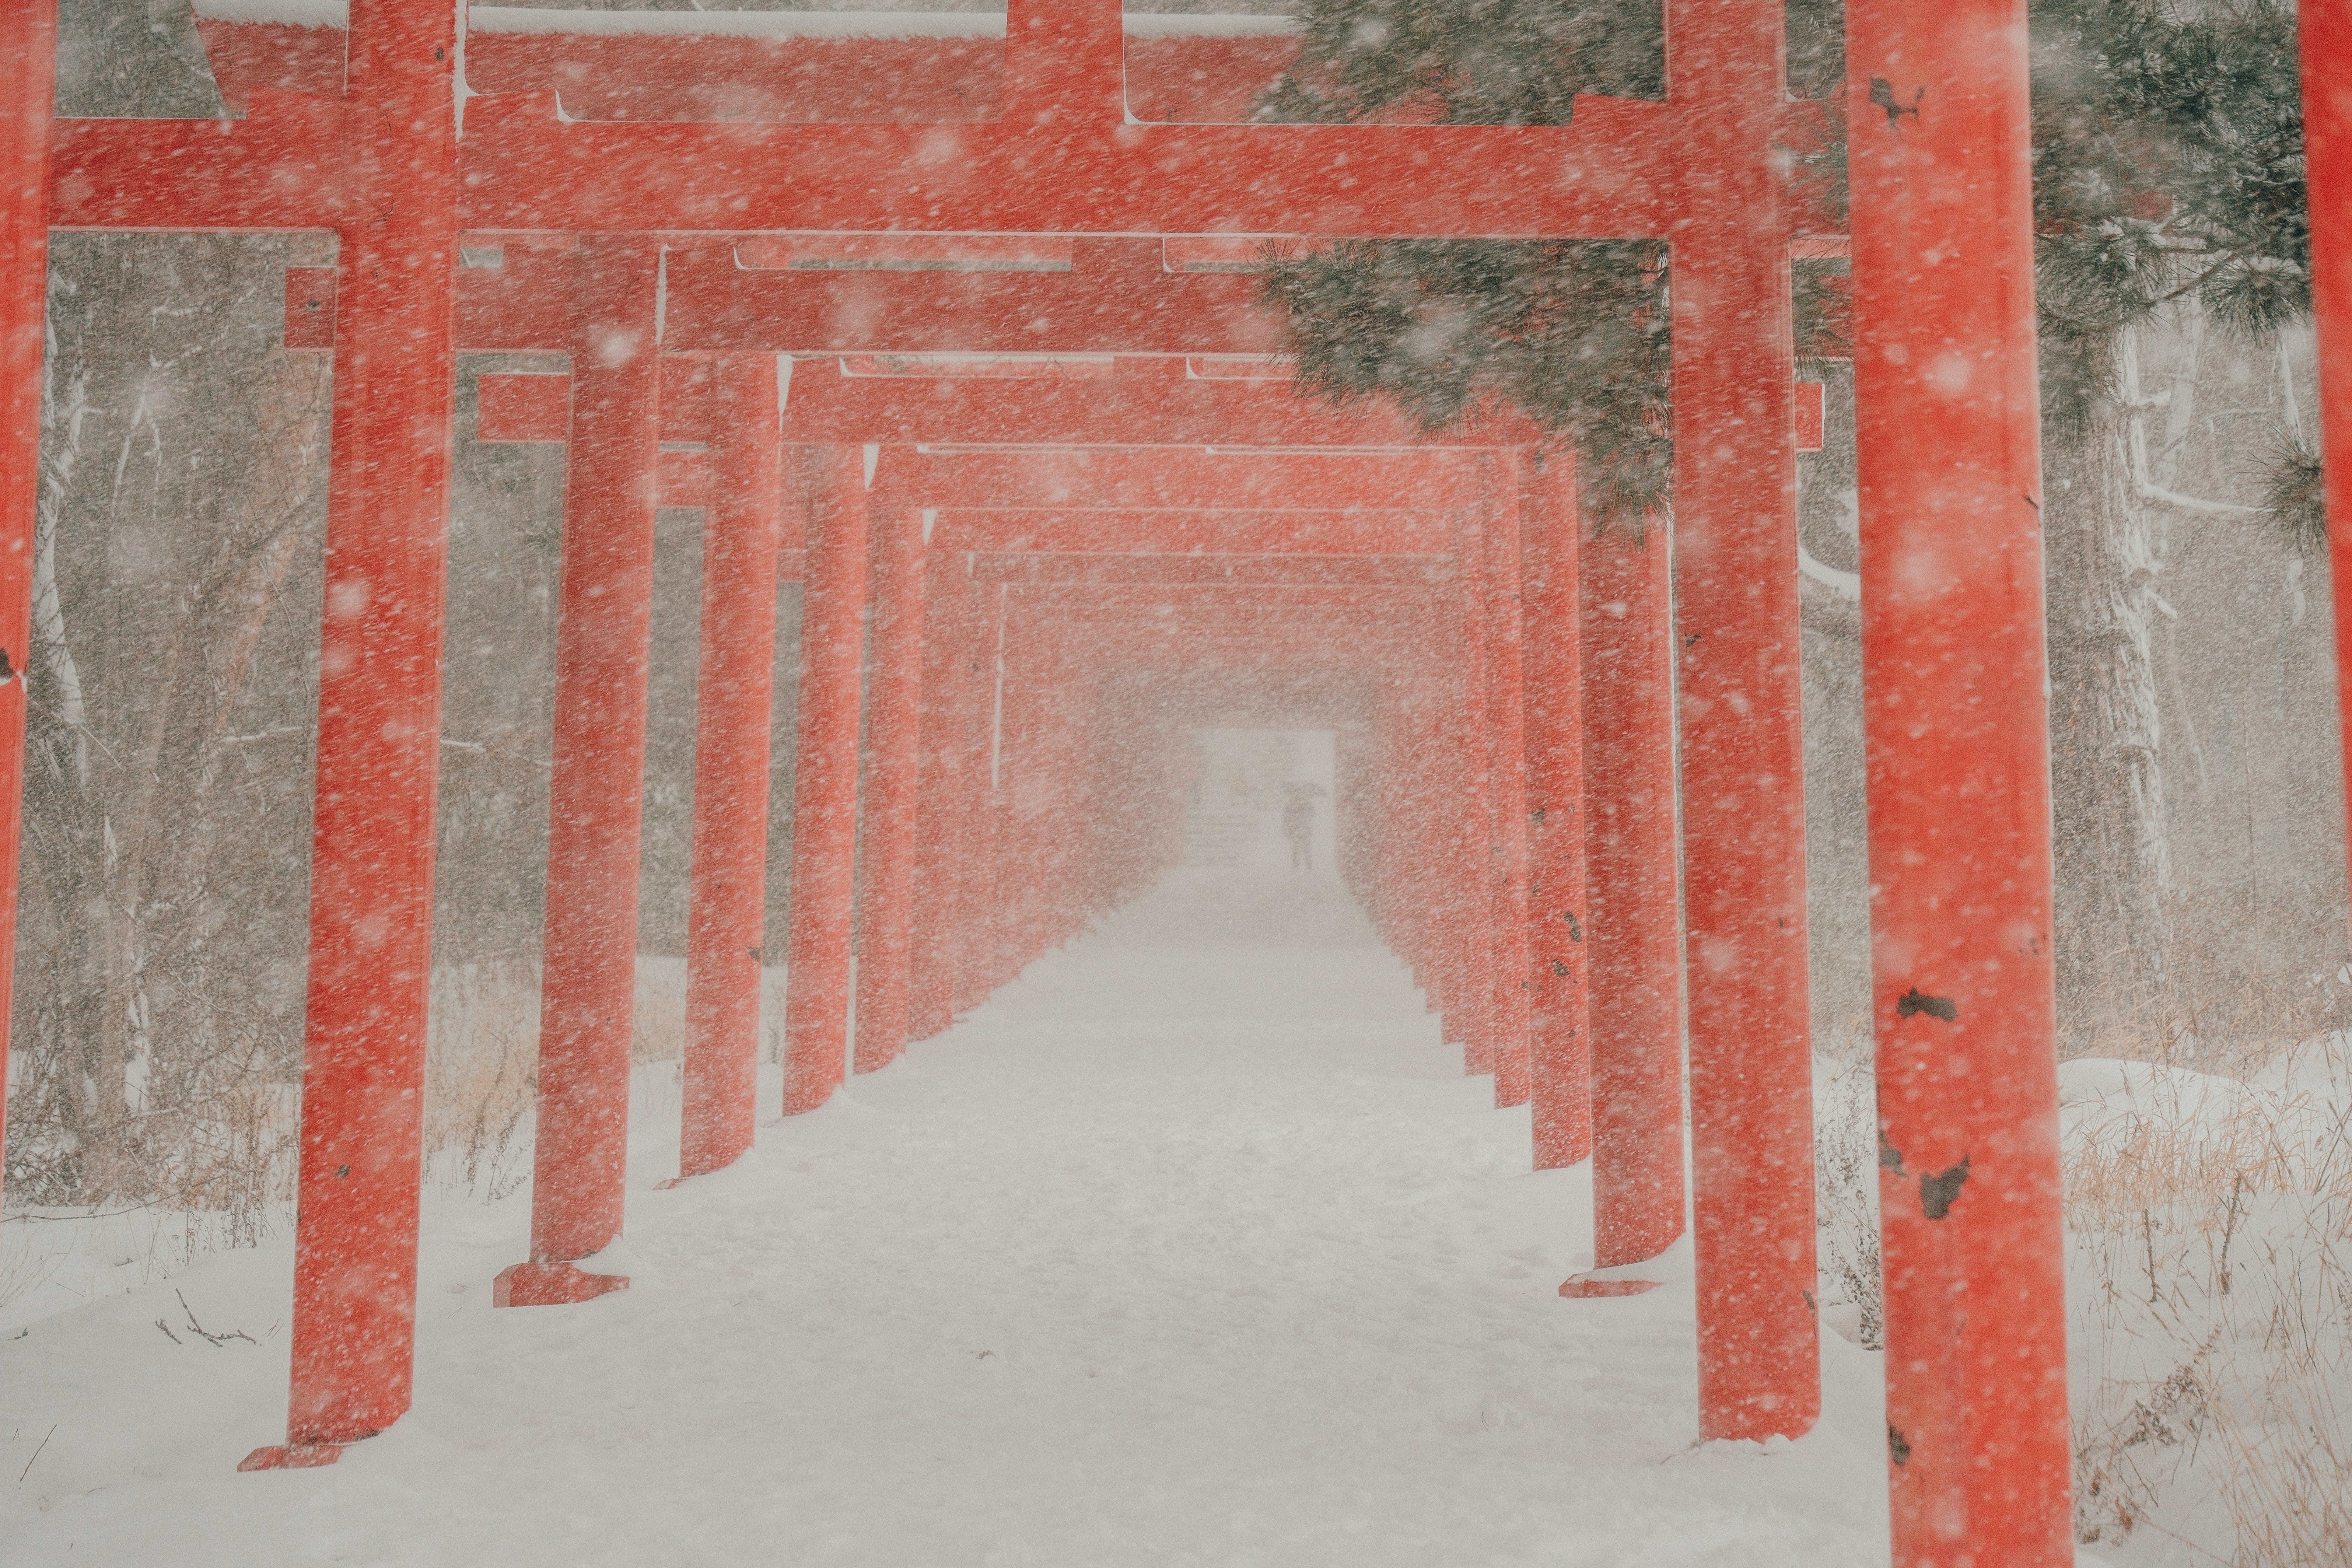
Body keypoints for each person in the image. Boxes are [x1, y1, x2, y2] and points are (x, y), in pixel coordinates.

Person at [1281, 781, 1326, 872]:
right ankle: (1308, 866)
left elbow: (1286, 818)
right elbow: (1313, 814)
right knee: (1305, 848)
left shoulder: (1291, 804)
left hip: (1295, 829)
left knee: (1297, 848)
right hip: (1304, 828)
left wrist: (1286, 828)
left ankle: (1297, 867)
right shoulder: (1306, 803)